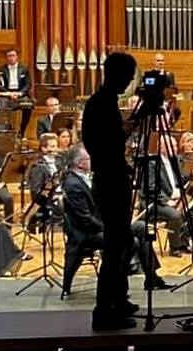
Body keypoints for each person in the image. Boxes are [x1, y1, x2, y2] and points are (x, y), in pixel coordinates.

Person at [61, 144, 173, 296]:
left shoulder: (86, 178)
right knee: (131, 241)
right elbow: (86, 220)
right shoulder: (73, 184)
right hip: (87, 233)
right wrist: (113, 226)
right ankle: (117, 282)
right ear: (80, 163)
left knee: (142, 227)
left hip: (101, 226)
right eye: (90, 158)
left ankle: (151, 278)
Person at [82, 51, 139, 330]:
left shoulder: (104, 102)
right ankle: (104, 310)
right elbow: (108, 144)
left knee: (124, 241)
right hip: (110, 179)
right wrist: (129, 127)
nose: (129, 83)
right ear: (116, 75)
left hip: (112, 176)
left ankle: (120, 297)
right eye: (128, 77)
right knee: (115, 246)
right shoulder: (101, 104)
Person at [0, 48, 33, 137]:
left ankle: (22, 130)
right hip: (7, 94)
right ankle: (8, 130)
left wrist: (20, 93)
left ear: (17, 57)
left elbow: (28, 84)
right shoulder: (2, 69)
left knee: (28, 107)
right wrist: (9, 93)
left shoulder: (24, 69)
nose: (11, 58)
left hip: (20, 93)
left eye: (13, 55)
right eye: (9, 56)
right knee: (2, 108)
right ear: (6, 58)